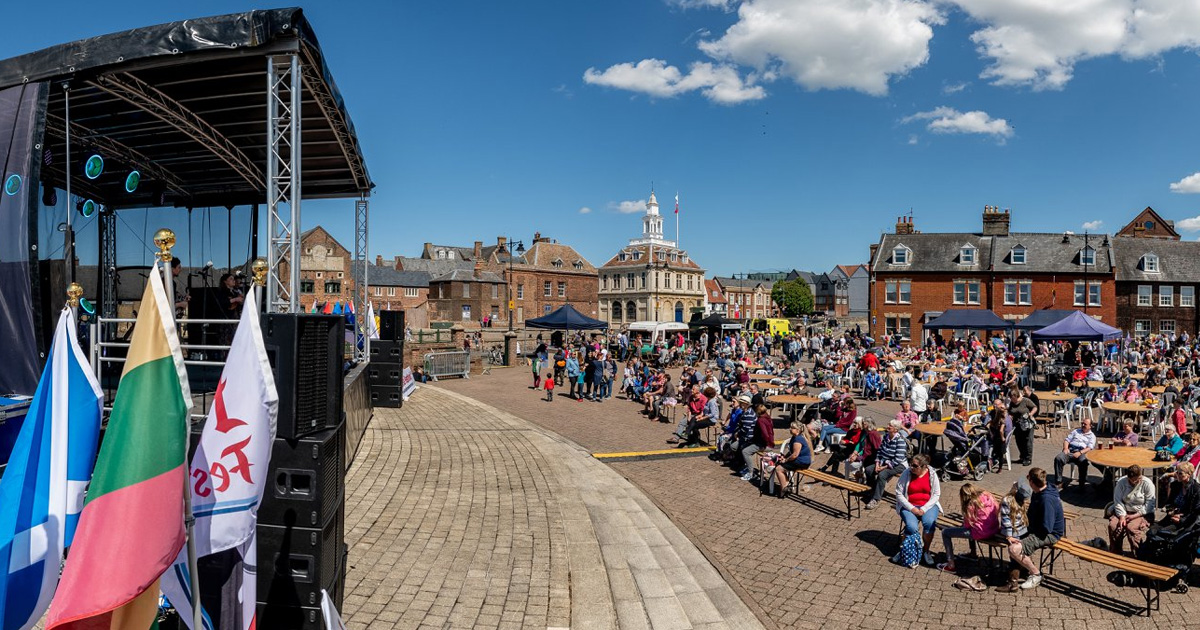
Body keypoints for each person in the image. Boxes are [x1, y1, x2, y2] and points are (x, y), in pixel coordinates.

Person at [997, 468, 1063, 592]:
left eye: (1028, 479)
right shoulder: (1041, 490)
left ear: (1032, 482)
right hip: (1038, 529)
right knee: (1015, 539)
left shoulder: (1046, 500)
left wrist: (1027, 536)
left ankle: (1036, 574)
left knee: (1014, 549)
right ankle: (1014, 579)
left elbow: (1047, 527)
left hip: (1049, 534)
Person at [937, 483, 999, 574]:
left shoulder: (969, 505)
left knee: (945, 532)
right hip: (994, 529)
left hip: (981, 533)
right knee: (972, 526)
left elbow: (967, 526)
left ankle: (950, 564)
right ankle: (972, 554)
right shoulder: (987, 497)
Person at [893, 454, 941, 568]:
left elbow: (936, 494)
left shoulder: (932, 474)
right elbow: (899, 493)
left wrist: (924, 508)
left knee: (929, 523)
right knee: (911, 526)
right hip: (910, 505)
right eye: (911, 464)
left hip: (928, 505)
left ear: (924, 466)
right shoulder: (907, 473)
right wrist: (912, 508)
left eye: (915, 465)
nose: (911, 467)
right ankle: (904, 550)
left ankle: (926, 551)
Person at [1107, 465, 1156, 557]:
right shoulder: (1121, 482)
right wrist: (1122, 516)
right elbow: (1117, 501)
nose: (1135, 482)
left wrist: (1135, 516)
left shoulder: (1147, 484)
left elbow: (1150, 504)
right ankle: (1115, 552)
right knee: (1113, 525)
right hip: (1124, 510)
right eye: (1132, 480)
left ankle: (1138, 553)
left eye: (1137, 479)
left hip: (1140, 512)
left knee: (1131, 528)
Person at [864, 420, 909, 509]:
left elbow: (898, 459)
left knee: (882, 474)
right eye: (888, 424)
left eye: (890, 426)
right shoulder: (886, 437)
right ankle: (874, 490)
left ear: (896, 429)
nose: (887, 426)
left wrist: (883, 467)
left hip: (899, 464)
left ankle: (875, 499)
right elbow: (880, 452)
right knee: (868, 470)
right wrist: (877, 463)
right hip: (885, 461)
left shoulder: (900, 440)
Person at [768, 421, 813, 498]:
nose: (790, 429)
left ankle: (784, 488)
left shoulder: (798, 439)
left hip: (802, 462)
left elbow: (795, 454)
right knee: (780, 465)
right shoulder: (795, 437)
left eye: (792, 428)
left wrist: (786, 460)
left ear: (798, 430)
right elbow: (791, 452)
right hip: (799, 460)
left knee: (779, 469)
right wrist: (784, 457)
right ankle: (786, 486)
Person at [1053, 417, 1096, 488]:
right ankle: (1058, 482)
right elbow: (1067, 440)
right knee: (1058, 458)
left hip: (1081, 452)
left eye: (1085, 424)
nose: (1082, 425)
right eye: (1082, 423)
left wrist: (1080, 452)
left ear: (1090, 426)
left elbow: (1089, 448)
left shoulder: (1092, 436)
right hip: (1070, 450)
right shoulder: (1076, 431)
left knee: (1083, 461)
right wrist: (1066, 448)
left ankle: (1082, 484)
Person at [1160, 462, 1200, 534]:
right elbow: (1169, 502)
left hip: (1187, 521)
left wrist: (1181, 519)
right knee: (1152, 531)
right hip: (1172, 517)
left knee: (1162, 533)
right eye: (1177, 472)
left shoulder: (1196, 490)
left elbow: (1195, 513)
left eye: (1180, 473)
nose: (1177, 475)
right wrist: (1171, 511)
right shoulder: (1175, 485)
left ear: (1189, 474)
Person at [740, 405, 775, 482]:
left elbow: (764, 433)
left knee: (745, 451)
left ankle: (750, 472)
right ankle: (748, 466)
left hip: (763, 444)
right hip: (769, 442)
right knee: (745, 446)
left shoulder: (760, 420)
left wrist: (764, 444)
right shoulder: (768, 418)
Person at [1008, 389, 1038, 466]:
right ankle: (1022, 457)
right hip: (1017, 424)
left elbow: (1035, 407)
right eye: (1011, 398)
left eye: (1013, 398)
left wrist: (1030, 414)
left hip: (1027, 424)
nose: (1012, 400)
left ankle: (1028, 458)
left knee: (1028, 441)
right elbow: (1011, 411)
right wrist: (1010, 416)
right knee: (1019, 441)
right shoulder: (1012, 403)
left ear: (1016, 396)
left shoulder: (1025, 401)